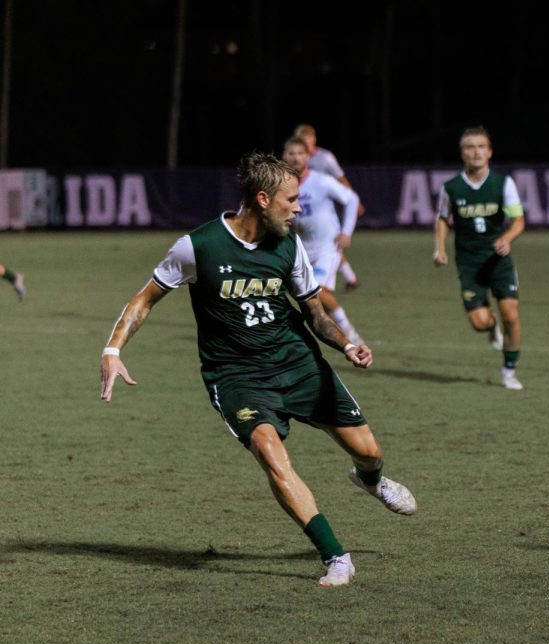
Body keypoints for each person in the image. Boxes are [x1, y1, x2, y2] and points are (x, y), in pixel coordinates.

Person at [99, 152, 417, 588]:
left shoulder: (289, 244)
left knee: (368, 450)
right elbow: (144, 299)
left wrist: (347, 344)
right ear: (263, 199)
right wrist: (113, 349)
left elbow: (316, 314)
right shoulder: (199, 245)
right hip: (237, 378)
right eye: (292, 199)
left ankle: (371, 479)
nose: (299, 208)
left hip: (297, 364)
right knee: (270, 453)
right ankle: (335, 557)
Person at [433, 126, 526, 390]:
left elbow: (519, 220)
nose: (476, 152)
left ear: (490, 152)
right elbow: (442, 218)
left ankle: (509, 371)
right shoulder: (451, 187)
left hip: (498, 260)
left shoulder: (503, 184)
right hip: (469, 264)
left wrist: (507, 238)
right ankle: (491, 326)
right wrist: (439, 248)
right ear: (462, 153)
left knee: (511, 314)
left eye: (481, 146)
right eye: (470, 147)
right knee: (479, 323)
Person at [282, 136, 365, 345]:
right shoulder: (281, 183)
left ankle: (351, 337)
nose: (295, 158)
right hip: (300, 249)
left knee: (318, 290)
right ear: (284, 156)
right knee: (308, 296)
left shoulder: (321, 181)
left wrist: (346, 231)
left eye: (300, 154)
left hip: (327, 247)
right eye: (291, 153)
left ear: (307, 157)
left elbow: (352, 199)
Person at [294, 123, 361, 291]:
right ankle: (350, 277)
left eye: (309, 138)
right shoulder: (294, 160)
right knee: (326, 243)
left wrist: (353, 198)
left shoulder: (325, 157)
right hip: (305, 205)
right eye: (303, 140)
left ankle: (347, 278)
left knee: (330, 241)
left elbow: (340, 178)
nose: (307, 143)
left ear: (314, 139)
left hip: (327, 201)